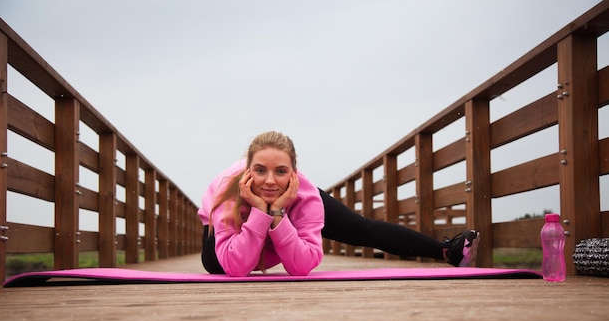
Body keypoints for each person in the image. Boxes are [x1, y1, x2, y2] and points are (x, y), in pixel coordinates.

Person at [198, 131, 479, 276]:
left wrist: (278, 214)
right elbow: (236, 268)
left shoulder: (306, 195)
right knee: (216, 266)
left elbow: (301, 267)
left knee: (361, 229)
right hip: (229, 236)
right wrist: (260, 212)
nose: (270, 181)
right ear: (248, 170)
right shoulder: (228, 191)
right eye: (260, 171)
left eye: (281, 171)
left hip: (287, 213)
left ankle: (445, 252)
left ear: (294, 173)